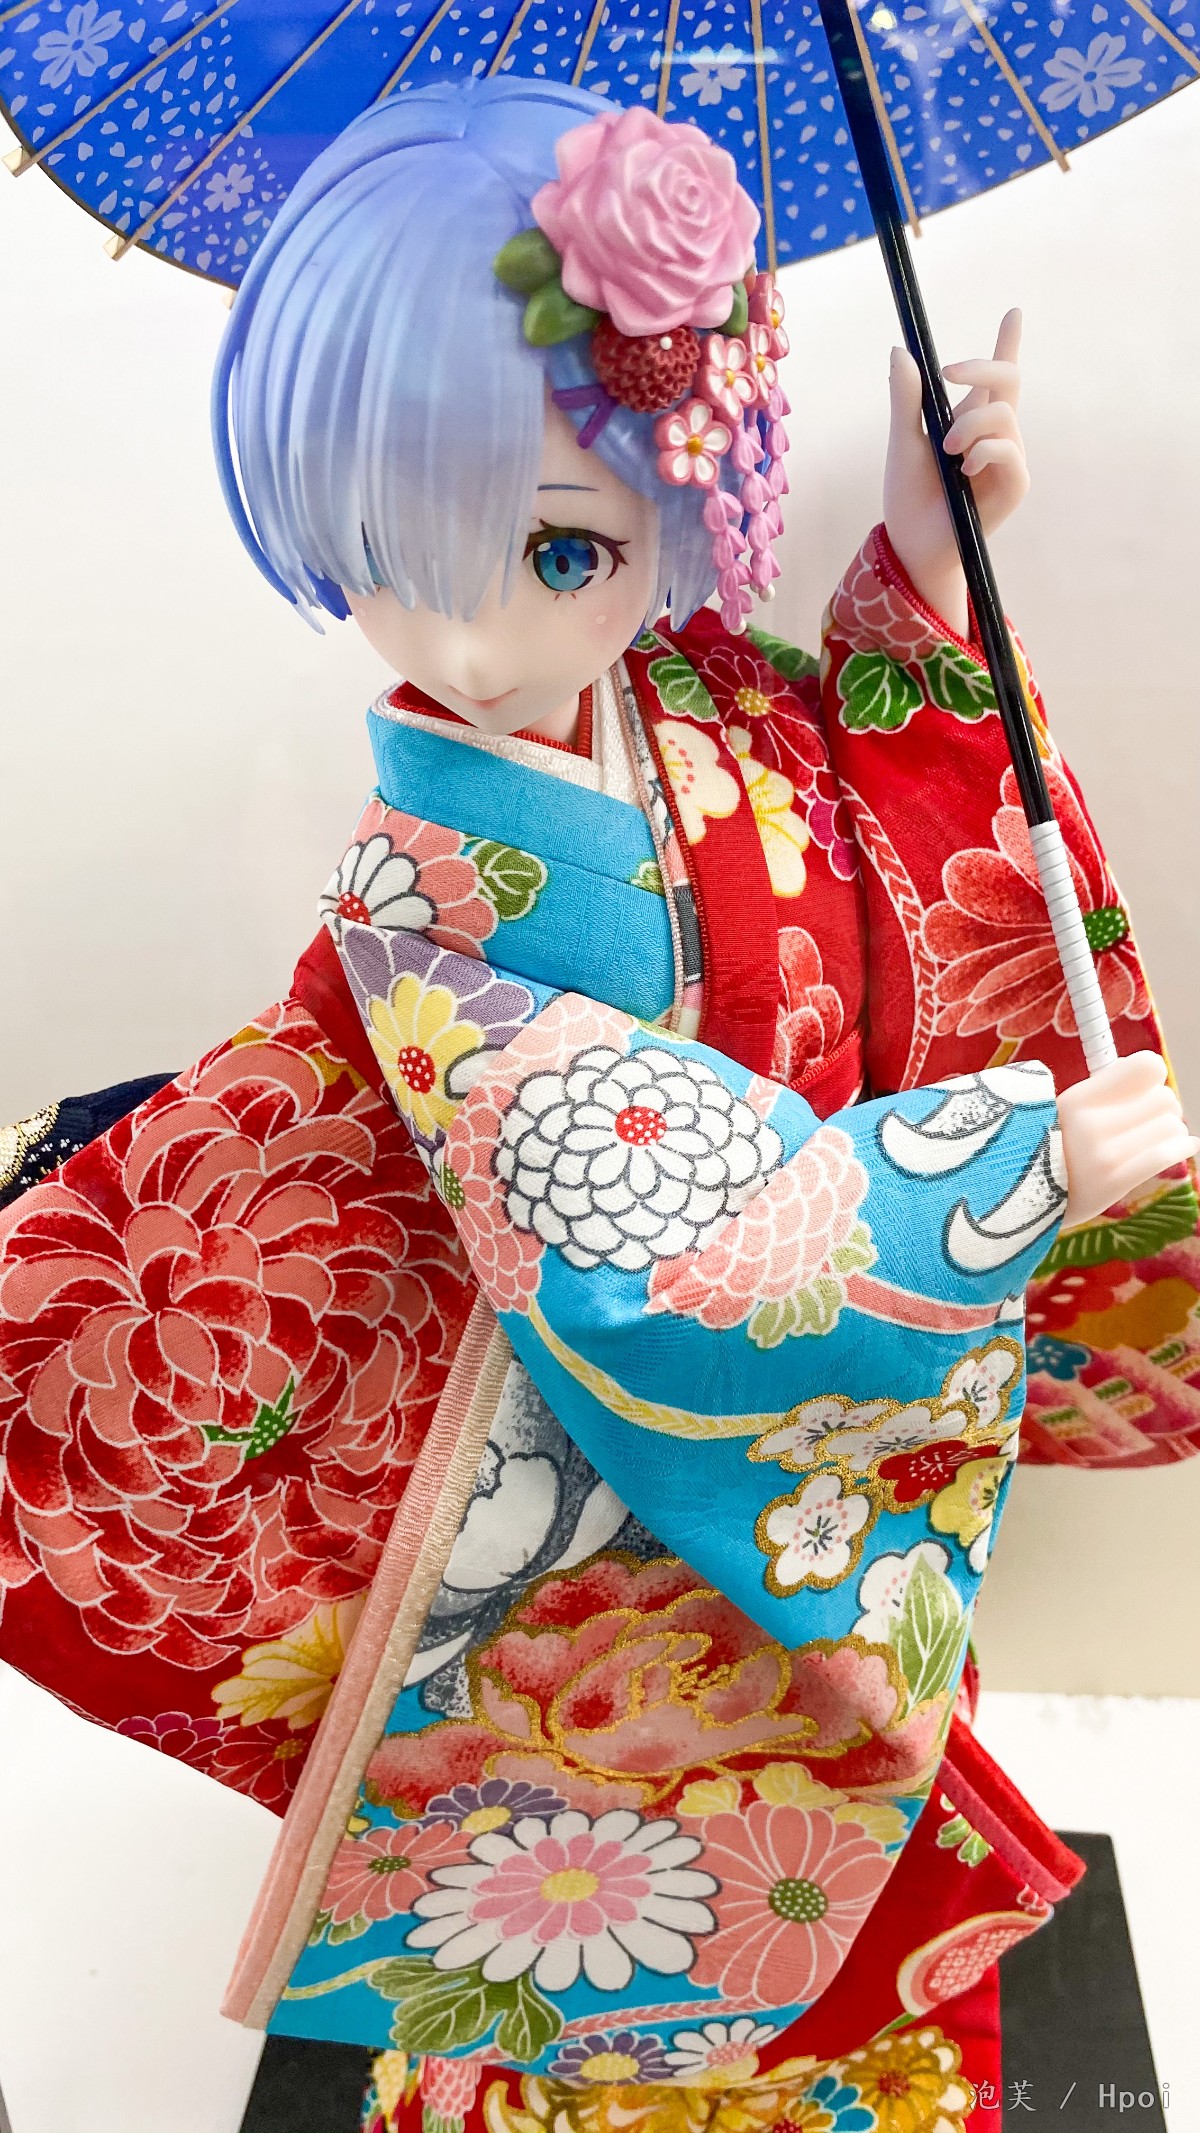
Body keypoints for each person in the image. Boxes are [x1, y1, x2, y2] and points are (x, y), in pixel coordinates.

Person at [0, 75, 1194, 2133]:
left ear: (689, 497)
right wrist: (1006, 1161)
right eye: (398, 553)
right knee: (641, 1851)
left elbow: (868, 848)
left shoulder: (696, 700)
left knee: (856, 1803)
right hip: (597, 1460)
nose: (478, 631)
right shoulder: (428, 892)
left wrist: (926, 579)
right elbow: (625, 1227)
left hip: (823, 1435)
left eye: (568, 545)